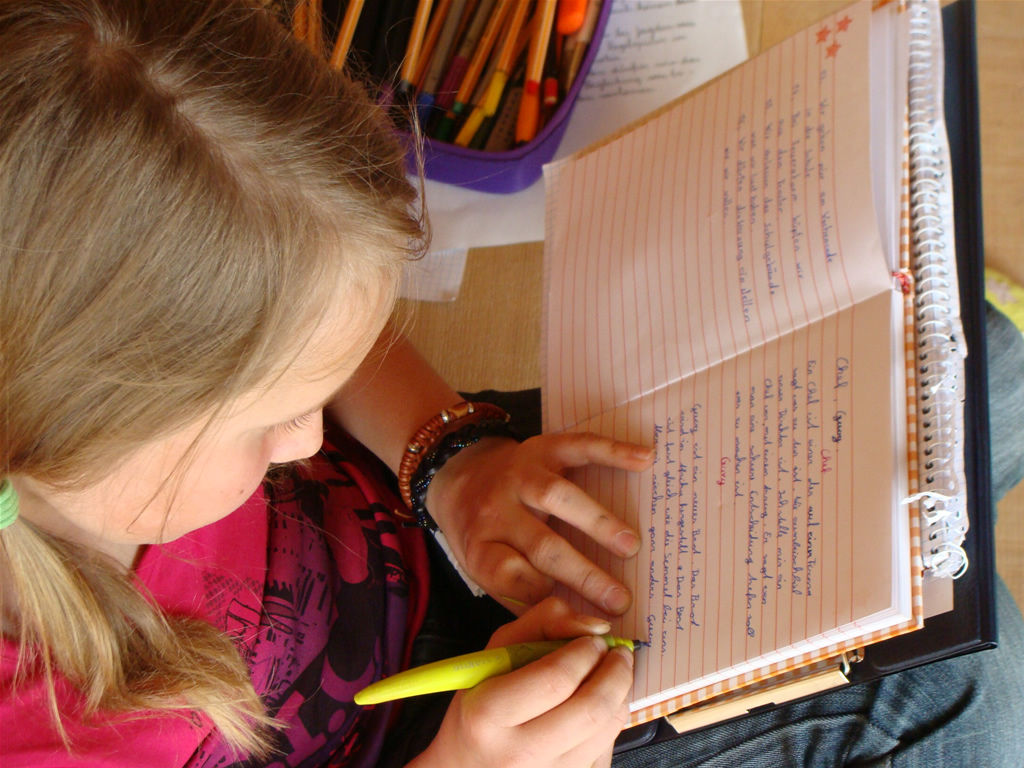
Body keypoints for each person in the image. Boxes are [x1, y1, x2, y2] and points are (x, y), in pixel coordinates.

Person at [1, 2, 1022, 767]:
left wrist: (446, 458)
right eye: (267, 416)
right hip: (460, 741)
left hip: (441, 512)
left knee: (973, 372)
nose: (307, 441)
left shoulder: (107, 365)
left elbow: (311, 338)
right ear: (49, 432)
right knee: (958, 683)